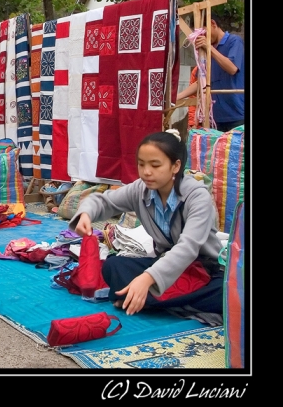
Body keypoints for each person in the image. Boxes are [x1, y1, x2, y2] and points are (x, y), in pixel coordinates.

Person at [69, 129, 224, 321]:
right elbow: (105, 201)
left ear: (175, 166)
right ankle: (160, 301)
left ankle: (146, 299)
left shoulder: (196, 197)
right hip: (165, 268)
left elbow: (188, 248)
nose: (146, 172)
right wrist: (86, 214)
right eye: (141, 164)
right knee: (114, 265)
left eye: (155, 165)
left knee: (227, 293)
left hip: (203, 271)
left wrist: (147, 279)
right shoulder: (140, 190)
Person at [176, 14, 244, 132]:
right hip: (216, 117)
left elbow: (232, 68)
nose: (202, 38)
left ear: (213, 24)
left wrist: (209, 49)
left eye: (203, 34)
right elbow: (201, 82)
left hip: (237, 114)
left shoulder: (234, 41)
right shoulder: (208, 50)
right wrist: (177, 97)